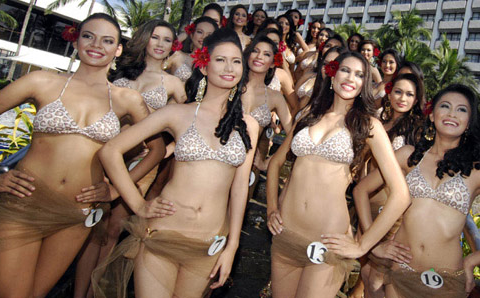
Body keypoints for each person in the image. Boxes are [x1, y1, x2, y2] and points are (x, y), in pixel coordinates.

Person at [0, 13, 165, 297]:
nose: (96, 45)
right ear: (76, 40)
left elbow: (157, 150)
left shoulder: (127, 99)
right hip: (23, 203)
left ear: (118, 50)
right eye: (89, 36)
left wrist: (115, 190)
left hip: (77, 211)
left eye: (108, 40)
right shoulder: (41, 82)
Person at [93, 29, 259, 297]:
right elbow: (111, 151)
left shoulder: (247, 126)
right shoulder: (177, 114)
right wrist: (137, 203)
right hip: (163, 232)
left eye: (236, 61)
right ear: (204, 67)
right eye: (220, 60)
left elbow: (240, 188)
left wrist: (232, 247)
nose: (229, 67)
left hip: (208, 242)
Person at [354, 84, 480, 298]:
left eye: (462, 110)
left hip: (445, 281)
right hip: (399, 272)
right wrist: (373, 244)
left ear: (469, 123)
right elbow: (361, 190)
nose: (452, 113)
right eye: (445, 106)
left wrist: (472, 260)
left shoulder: (479, 171)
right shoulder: (408, 156)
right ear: (432, 115)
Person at [266, 51, 410, 298]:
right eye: (345, 70)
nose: (350, 78)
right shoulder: (307, 114)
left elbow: (401, 194)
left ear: (365, 84)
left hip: (328, 241)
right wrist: (270, 208)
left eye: (359, 74)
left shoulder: (368, 125)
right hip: (285, 233)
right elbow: (275, 163)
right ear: (333, 75)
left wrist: (364, 245)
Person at [74, 19, 187, 298]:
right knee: (93, 227)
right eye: (156, 38)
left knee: (113, 229)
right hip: (105, 153)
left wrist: (166, 152)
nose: (161, 45)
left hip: (144, 161)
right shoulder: (120, 70)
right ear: (145, 39)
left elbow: (183, 126)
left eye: (167, 40)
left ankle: (95, 293)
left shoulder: (174, 83)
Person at [359, 72, 425, 298]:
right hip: (366, 203)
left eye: (409, 94)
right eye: (398, 92)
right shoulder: (378, 125)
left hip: (393, 213)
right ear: (389, 93)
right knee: (366, 275)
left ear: (416, 100)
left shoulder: (418, 131)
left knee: (379, 279)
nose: (402, 98)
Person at [242, 34, 293, 172]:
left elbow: (293, 138)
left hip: (249, 164)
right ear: (248, 56)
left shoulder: (275, 97)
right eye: (255, 51)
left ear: (272, 63)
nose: (259, 57)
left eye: (266, 54)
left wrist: (268, 162)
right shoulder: (231, 86)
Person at [168, 16, 218, 82]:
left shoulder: (215, 63)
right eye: (200, 32)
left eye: (209, 35)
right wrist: (184, 35)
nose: (203, 37)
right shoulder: (177, 55)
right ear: (192, 34)